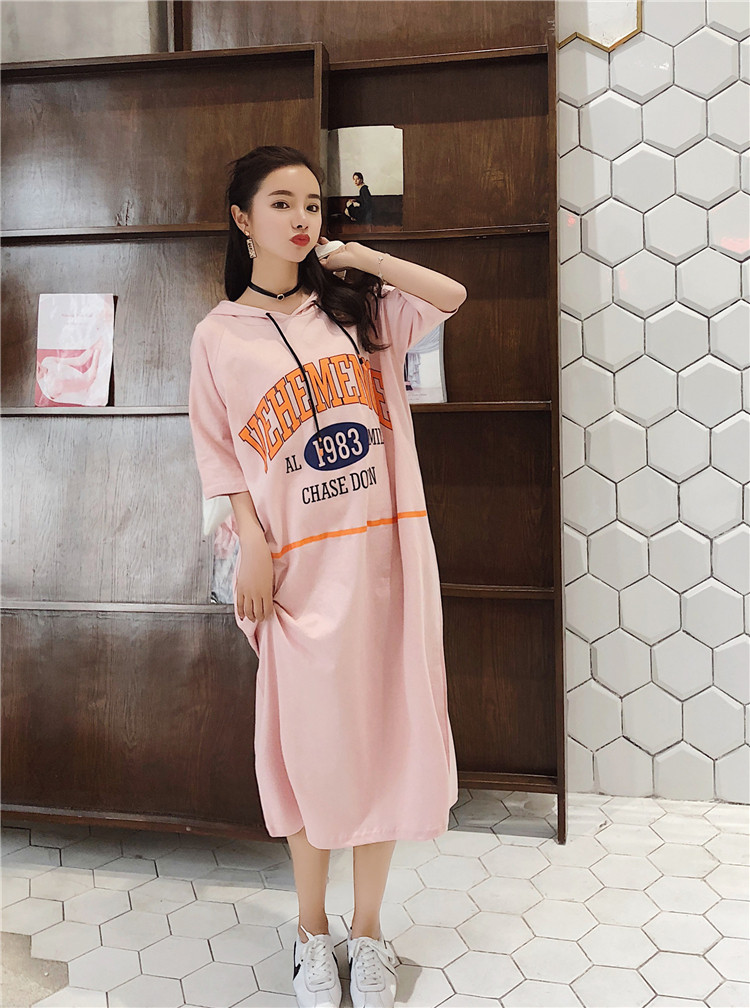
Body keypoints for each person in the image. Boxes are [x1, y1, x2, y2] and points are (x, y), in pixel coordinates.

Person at [188, 145, 467, 1008]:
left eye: (312, 203)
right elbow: (220, 457)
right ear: (242, 219)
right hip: (295, 579)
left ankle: (368, 932)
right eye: (280, 203)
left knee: (386, 741)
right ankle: (312, 933)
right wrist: (252, 543)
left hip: (384, 562)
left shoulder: (356, 309)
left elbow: (450, 296)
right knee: (307, 756)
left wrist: (360, 257)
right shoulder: (216, 336)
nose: (302, 218)